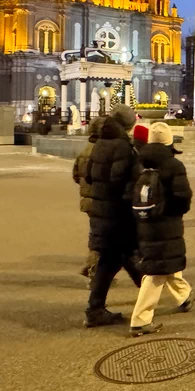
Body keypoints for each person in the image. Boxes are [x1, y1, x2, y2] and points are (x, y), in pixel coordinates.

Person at [129, 122, 195, 337]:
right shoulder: (173, 165)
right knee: (156, 271)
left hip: (144, 220)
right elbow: (183, 198)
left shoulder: (140, 162)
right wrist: (173, 212)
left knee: (164, 261)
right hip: (166, 222)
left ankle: (184, 295)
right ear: (170, 141)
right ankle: (140, 320)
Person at [84, 104, 143, 327]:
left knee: (115, 260)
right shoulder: (123, 147)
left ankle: (95, 309)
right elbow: (124, 182)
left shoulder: (100, 143)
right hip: (118, 214)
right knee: (123, 257)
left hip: (102, 212)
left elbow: (89, 175)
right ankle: (149, 300)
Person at [73, 116, 106, 284]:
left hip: (87, 201)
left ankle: (91, 266)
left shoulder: (85, 150)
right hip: (102, 201)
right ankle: (94, 271)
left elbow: (76, 175)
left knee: (96, 234)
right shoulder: (103, 151)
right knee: (101, 237)